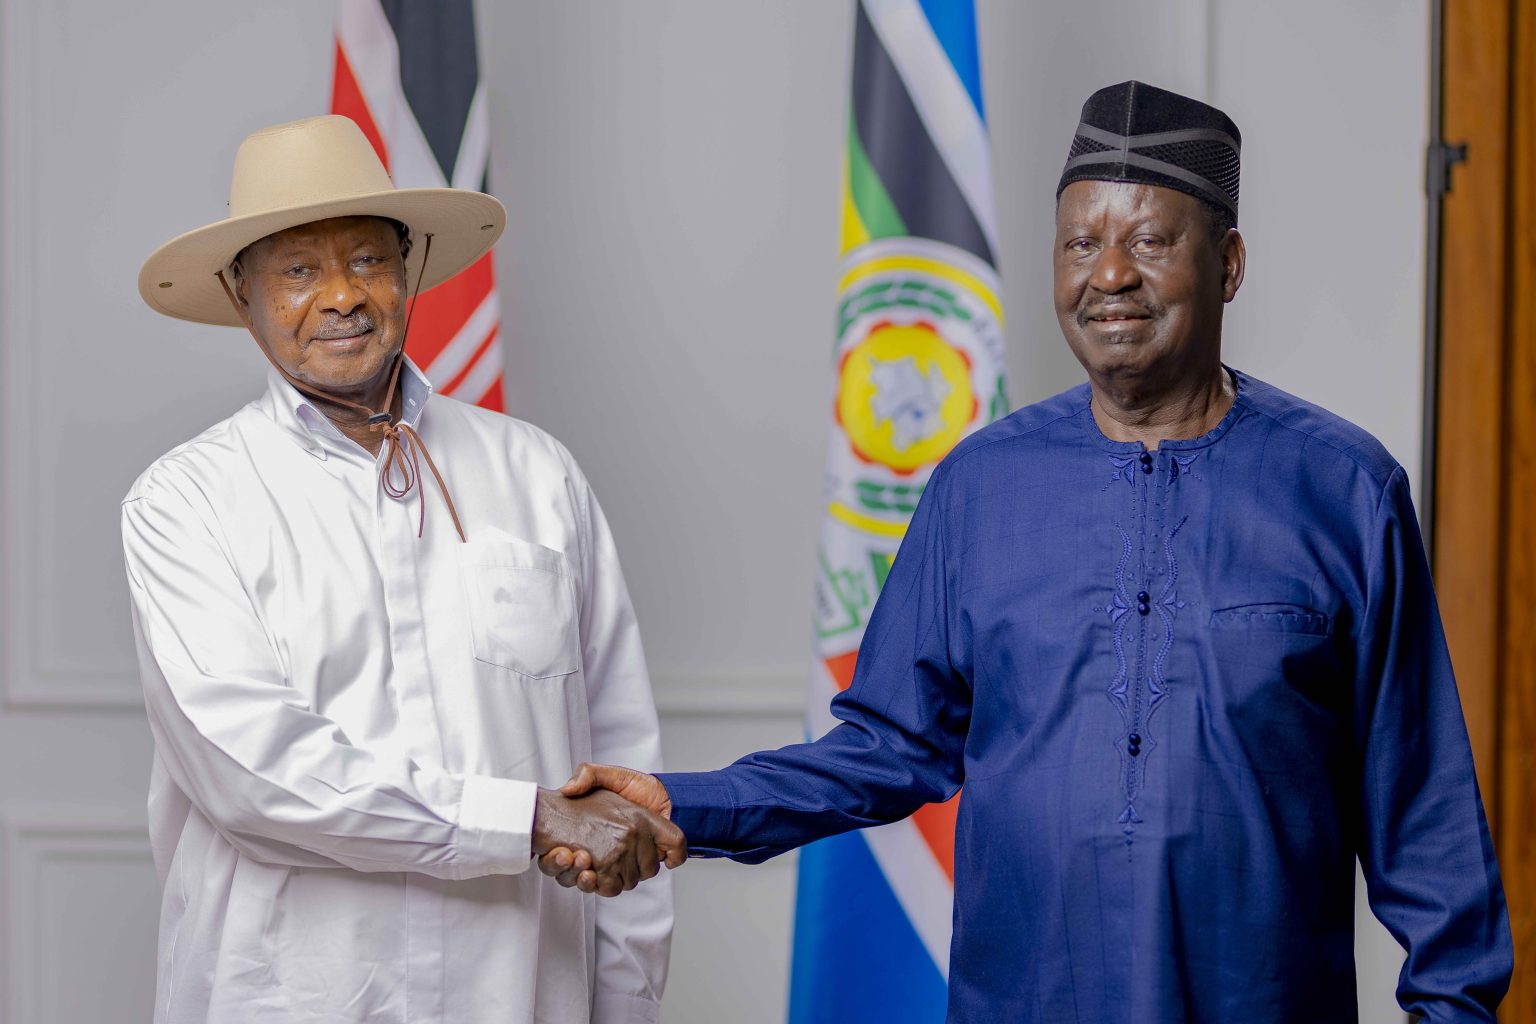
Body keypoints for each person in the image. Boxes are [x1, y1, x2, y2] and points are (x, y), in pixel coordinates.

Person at [540, 82, 1514, 1021]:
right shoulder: (980, 486)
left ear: (1228, 265)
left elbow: (1424, 813)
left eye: (1149, 240)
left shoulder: (1344, 490)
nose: (1110, 274)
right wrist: (679, 803)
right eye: (1081, 242)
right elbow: (885, 746)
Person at [124, 114, 681, 1024]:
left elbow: (622, 773)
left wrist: (626, 1003)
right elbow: (253, 775)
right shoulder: (186, 500)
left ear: (409, 268)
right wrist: (528, 820)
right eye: (299, 269)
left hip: (521, 995)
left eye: (368, 261)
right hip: (290, 998)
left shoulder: (538, 474)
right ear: (240, 292)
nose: (340, 295)